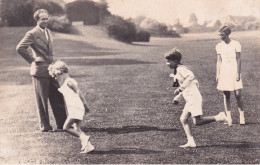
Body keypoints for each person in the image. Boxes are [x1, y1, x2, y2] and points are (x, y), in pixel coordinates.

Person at [165, 47, 229, 148]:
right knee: (183, 119)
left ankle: (220, 117)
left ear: (176, 61)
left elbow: (191, 76)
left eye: (169, 61)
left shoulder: (181, 69)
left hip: (193, 99)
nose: (167, 63)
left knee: (198, 121)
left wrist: (180, 89)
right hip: (190, 99)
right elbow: (187, 85)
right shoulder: (178, 70)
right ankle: (191, 142)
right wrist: (178, 97)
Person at [16, 9, 67, 132]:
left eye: (46, 18)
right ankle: (45, 126)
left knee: (58, 95)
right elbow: (20, 48)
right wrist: (33, 59)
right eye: (42, 19)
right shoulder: (32, 33)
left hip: (51, 70)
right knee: (42, 100)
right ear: (37, 20)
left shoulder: (48, 31)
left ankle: (63, 125)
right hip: (39, 71)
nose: (45, 21)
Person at [48, 60, 95, 153]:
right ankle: (88, 146)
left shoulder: (69, 82)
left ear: (60, 72)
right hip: (76, 108)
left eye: (55, 76)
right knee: (77, 129)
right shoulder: (66, 82)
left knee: (66, 127)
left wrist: (85, 105)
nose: (55, 78)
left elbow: (79, 92)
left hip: (76, 108)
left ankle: (84, 137)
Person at [216, 26, 245, 125]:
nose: (220, 36)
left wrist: (238, 72)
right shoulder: (219, 46)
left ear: (227, 34)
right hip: (224, 71)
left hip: (234, 70)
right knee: (226, 94)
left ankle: (242, 116)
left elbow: (238, 59)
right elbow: (219, 61)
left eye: (222, 34)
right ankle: (229, 118)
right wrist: (218, 74)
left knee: (238, 94)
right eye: (219, 34)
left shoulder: (236, 44)